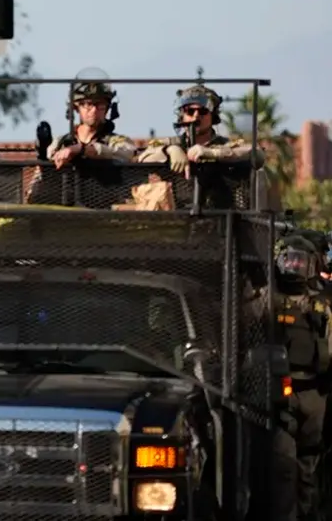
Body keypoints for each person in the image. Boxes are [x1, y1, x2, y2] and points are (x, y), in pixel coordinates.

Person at [253, 234, 331, 521]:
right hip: (278, 390)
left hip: (315, 391)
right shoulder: (266, 299)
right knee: (283, 463)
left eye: (300, 261)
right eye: (289, 259)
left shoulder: (323, 305)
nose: (294, 266)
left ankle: (310, 512)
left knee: (310, 461)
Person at [138, 84, 260, 174]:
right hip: (177, 206)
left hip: (221, 207)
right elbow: (143, 158)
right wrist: (170, 150)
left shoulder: (225, 144)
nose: (196, 115)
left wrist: (214, 153)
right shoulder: (170, 143)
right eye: (190, 111)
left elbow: (257, 153)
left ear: (212, 115)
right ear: (182, 115)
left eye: (203, 111)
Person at [47, 80, 137, 169]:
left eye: (100, 105)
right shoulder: (61, 142)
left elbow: (127, 153)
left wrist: (82, 150)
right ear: (76, 108)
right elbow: (42, 176)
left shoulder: (117, 142)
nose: (94, 110)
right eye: (88, 104)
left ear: (107, 109)